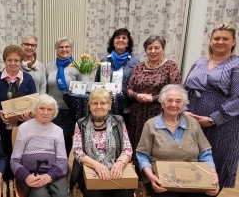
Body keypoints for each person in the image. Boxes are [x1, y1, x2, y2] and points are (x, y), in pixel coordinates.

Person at [136, 84, 219, 197]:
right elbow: (142, 155)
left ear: (184, 104)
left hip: (193, 179)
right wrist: (151, 177)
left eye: (178, 101)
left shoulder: (193, 123)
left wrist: (213, 175)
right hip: (163, 180)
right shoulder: (151, 125)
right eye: (169, 100)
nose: (174, 104)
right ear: (162, 103)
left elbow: (205, 153)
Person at [183, 23, 239, 190]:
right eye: (216, 38)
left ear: (233, 42)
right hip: (192, 121)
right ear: (210, 41)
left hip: (222, 124)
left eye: (225, 39)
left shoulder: (236, 65)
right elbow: (185, 89)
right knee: (192, 157)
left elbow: (238, 98)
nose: (220, 42)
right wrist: (185, 110)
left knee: (216, 160)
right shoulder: (199, 63)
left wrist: (212, 119)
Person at [126, 35, 181, 165]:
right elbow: (129, 88)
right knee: (138, 143)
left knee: (157, 143)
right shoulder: (139, 66)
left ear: (163, 49)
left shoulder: (170, 66)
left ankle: (155, 174)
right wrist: (137, 96)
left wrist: (154, 98)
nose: (153, 51)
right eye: (149, 48)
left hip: (159, 113)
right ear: (145, 50)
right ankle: (138, 173)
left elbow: (175, 89)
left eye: (157, 47)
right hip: (138, 114)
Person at [70, 88, 134, 197]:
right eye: (95, 103)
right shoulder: (81, 124)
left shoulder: (118, 121)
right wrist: (96, 165)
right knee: (94, 195)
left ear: (109, 105)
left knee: (125, 194)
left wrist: (120, 163)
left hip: (115, 168)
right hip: (89, 168)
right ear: (90, 106)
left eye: (103, 103)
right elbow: (78, 151)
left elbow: (127, 148)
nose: (99, 106)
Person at [0, 45, 37, 180]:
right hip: (1, 125)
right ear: (4, 61)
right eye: (9, 60)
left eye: (16, 60)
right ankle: (4, 178)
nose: (13, 63)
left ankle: (20, 178)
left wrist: (29, 115)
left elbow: (34, 102)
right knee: (4, 151)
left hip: (22, 125)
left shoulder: (28, 79)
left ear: (21, 62)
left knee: (20, 152)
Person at [11, 94, 70, 197]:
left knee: (62, 195)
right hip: (31, 173)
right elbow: (15, 160)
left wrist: (49, 176)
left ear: (54, 112)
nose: (46, 113)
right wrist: (27, 177)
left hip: (53, 173)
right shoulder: (24, 128)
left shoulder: (58, 131)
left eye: (50, 109)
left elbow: (62, 160)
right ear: (35, 110)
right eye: (42, 108)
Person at [94, 28, 140, 124]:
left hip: (127, 106)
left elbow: (137, 84)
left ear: (128, 43)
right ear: (113, 42)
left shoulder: (135, 61)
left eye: (124, 38)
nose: (120, 40)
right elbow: (97, 81)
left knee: (124, 133)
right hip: (106, 104)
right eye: (118, 37)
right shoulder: (104, 60)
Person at [46, 37, 81, 156]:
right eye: (61, 47)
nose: (64, 49)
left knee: (66, 138)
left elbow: (82, 89)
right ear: (56, 49)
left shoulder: (78, 67)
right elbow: (46, 89)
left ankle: (63, 162)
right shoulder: (49, 66)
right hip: (51, 109)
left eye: (67, 47)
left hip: (69, 109)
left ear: (71, 49)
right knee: (51, 137)